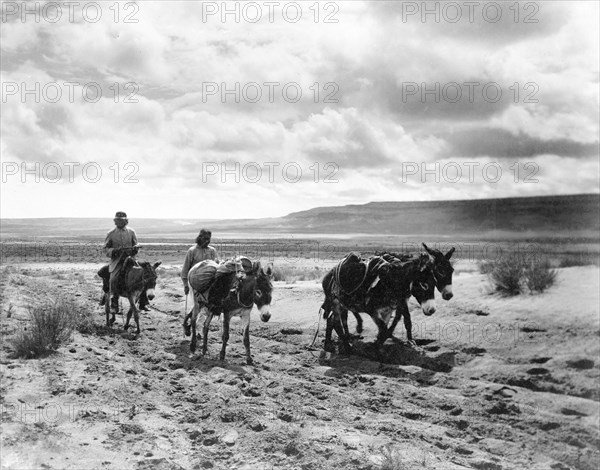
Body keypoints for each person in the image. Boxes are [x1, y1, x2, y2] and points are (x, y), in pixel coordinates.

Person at [99, 211, 149, 312]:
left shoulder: (131, 232)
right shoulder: (111, 233)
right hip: (117, 261)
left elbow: (136, 243)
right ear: (115, 221)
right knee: (113, 279)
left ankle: (143, 302)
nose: (120, 222)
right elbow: (105, 249)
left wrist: (136, 248)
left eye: (122, 220)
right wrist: (115, 251)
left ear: (126, 221)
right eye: (118, 220)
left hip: (131, 259)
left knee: (145, 275)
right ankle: (114, 301)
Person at [181, 229, 220, 297]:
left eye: (208, 239)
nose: (207, 241)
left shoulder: (212, 250)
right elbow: (185, 269)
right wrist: (185, 285)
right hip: (195, 283)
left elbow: (217, 265)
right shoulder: (192, 251)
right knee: (197, 305)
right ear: (200, 237)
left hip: (210, 283)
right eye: (205, 239)